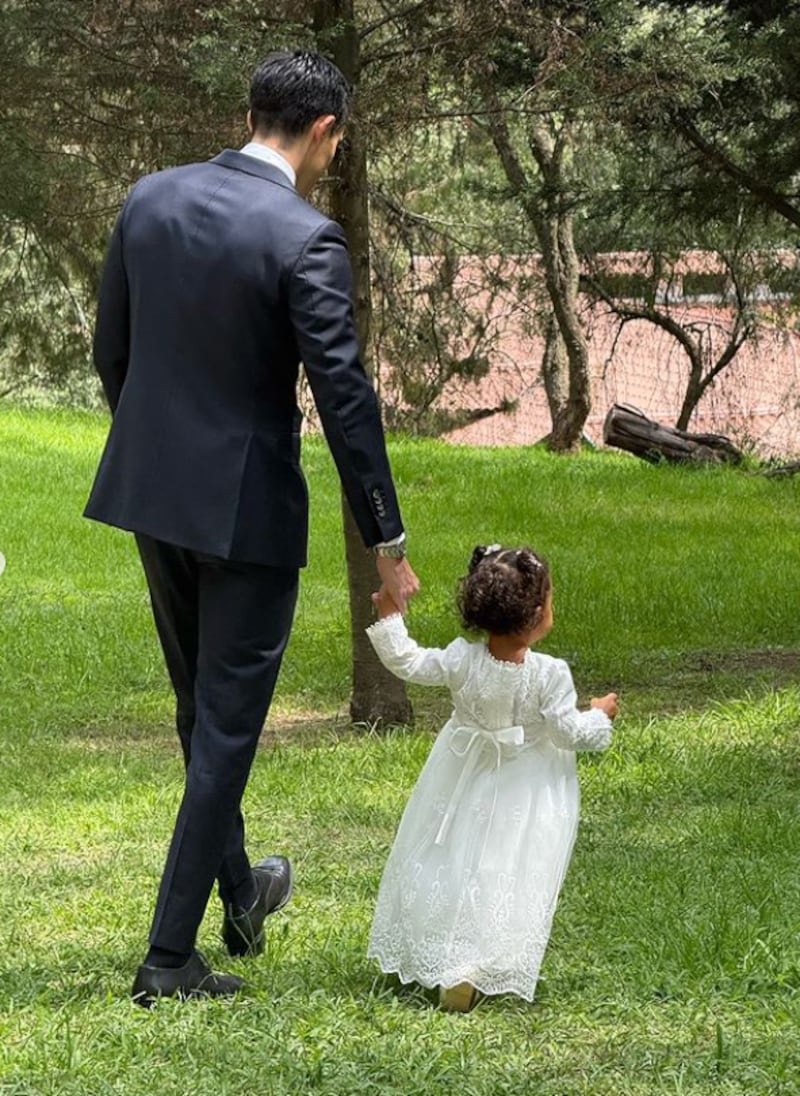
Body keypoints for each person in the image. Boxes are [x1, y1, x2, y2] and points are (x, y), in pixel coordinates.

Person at [84, 50, 419, 1006]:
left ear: (252, 112)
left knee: (203, 711)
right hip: (245, 514)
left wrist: (157, 451)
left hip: (153, 496)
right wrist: (386, 543)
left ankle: (243, 893)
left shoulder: (149, 198)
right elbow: (346, 402)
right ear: (323, 133)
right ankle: (166, 961)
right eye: (336, 143)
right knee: (225, 730)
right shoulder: (305, 237)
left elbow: (114, 346)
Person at [365, 545, 617, 1011]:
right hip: (523, 789)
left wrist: (389, 617)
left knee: (451, 860)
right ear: (539, 613)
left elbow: (409, 662)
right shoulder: (549, 675)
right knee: (506, 870)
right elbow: (568, 733)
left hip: (461, 776)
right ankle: (472, 964)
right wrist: (599, 716)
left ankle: (445, 956)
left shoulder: (462, 658)